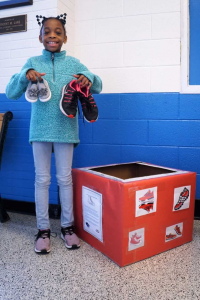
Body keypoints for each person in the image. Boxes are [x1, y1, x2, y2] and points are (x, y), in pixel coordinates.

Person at [5, 13, 102, 254]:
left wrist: (87, 77)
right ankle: (43, 229)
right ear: (40, 36)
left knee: (65, 179)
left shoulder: (74, 64)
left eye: (58, 32)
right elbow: (11, 93)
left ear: (65, 37)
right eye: (47, 31)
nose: (52, 35)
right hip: (39, 130)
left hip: (66, 130)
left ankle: (67, 227)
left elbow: (98, 85)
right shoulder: (32, 62)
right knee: (42, 179)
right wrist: (24, 74)